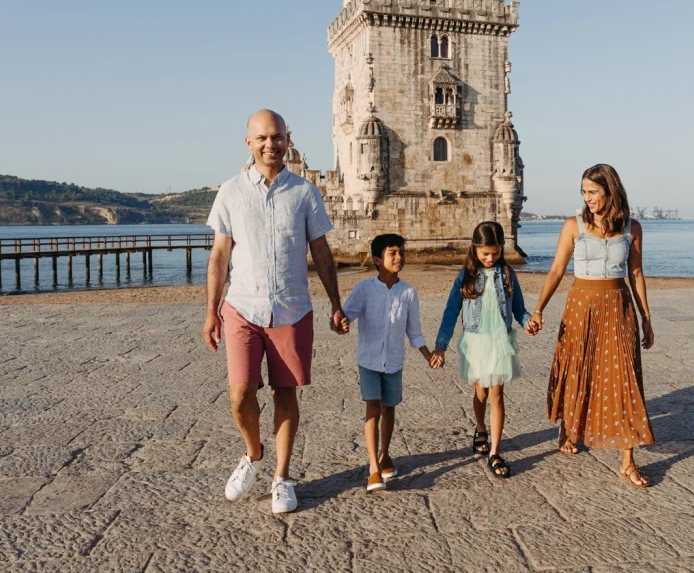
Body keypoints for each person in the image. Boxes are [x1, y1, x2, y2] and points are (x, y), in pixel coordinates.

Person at [201, 109, 349, 514]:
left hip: (292, 307)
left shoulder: (304, 192)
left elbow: (320, 251)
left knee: (286, 393)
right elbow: (219, 254)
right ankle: (254, 453)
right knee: (239, 394)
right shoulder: (230, 192)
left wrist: (336, 304)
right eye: (262, 138)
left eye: (277, 137)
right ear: (248, 143)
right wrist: (211, 310)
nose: (271, 144)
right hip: (242, 307)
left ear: (288, 139)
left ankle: (282, 478)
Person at [526, 164, 656, 487]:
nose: (588, 198)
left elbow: (636, 274)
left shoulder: (632, 228)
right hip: (581, 306)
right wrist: (539, 309)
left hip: (618, 307)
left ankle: (627, 461)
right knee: (578, 369)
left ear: (610, 191)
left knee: (625, 379)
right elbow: (557, 270)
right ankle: (570, 427)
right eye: (584, 192)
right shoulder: (574, 225)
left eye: (593, 192)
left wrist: (646, 319)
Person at [341, 234, 443, 492]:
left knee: (389, 409)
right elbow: (347, 315)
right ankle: (374, 468)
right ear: (378, 260)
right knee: (372, 410)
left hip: (394, 362)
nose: (399, 258)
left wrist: (428, 355)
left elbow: (414, 331)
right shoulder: (364, 289)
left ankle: (385, 454)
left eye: (402, 253)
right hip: (369, 360)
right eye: (393, 253)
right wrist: (339, 322)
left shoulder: (408, 293)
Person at [436, 221, 533, 479]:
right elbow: (450, 312)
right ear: (475, 250)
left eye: (496, 253)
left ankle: (495, 452)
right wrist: (440, 346)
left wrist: (528, 322)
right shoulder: (465, 276)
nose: (491, 258)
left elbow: (519, 309)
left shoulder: (509, 274)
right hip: (476, 341)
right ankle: (480, 428)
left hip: (500, 340)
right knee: (480, 393)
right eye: (485, 254)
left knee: (497, 395)